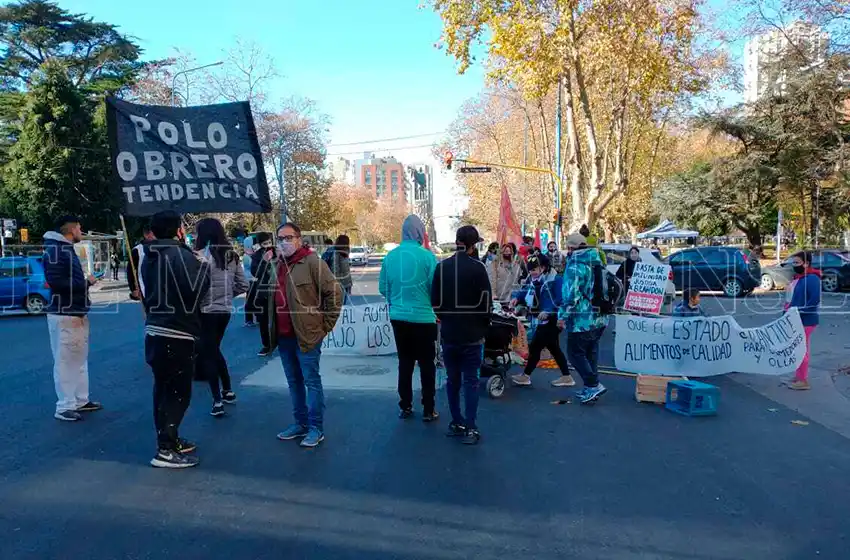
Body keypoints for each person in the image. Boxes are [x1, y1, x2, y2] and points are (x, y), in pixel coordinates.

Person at [141, 210, 210, 468]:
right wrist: (203, 267)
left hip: (156, 330)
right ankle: (166, 449)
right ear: (178, 229)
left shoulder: (149, 255)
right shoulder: (180, 256)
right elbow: (194, 293)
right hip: (177, 332)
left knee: (162, 390)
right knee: (177, 393)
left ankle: (169, 438)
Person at [270, 222, 344, 448]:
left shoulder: (312, 262)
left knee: (311, 381)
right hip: (283, 336)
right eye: (280, 238)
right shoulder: (276, 265)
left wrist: (326, 325)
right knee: (294, 382)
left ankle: (315, 428)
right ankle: (299, 423)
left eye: (288, 237)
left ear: (299, 239)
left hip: (307, 335)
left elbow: (335, 292)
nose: (284, 242)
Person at [431, 225, 492, 445]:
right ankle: (471, 426)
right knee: (471, 382)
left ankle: (456, 421)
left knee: (453, 380)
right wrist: (482, 326)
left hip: (450, 334)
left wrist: (446, 318)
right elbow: (487, 304)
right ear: (473, 245)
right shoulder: (478, 268)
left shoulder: (442, 267)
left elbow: (435, 303)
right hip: (473, 336)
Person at [379, 215, 439, 421]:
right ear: (420, 233)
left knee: (405, 362)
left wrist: (396, 301)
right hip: (423, 318)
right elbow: (436, 290)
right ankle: (429, 408)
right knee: (426, 364)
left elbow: (383, 287)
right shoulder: (428, 257)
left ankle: (405, 405)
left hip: (398, 318)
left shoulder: (390, 257)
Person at [43, 215, 101, 422]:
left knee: (77, 359)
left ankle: (79, 400)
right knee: (66, 361)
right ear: (71, 229)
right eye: (79, 228)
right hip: (65, 314)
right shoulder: (57, 251)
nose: (81, 231)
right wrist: (86, 283)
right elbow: (57, 283)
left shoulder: (63, 249)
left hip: (73, 312)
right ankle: (65, 406)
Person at [194, 218, 249, 417]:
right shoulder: (232, 256)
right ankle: (228, 391)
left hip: (204, 311)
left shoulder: (197, 256)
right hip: (224, 311)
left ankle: (217, 399)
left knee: (209, 353)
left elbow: (194, 286)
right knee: (214, 349)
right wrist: (226, 296)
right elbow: (243, 285)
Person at [559, 233, 610, 404]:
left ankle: (593, 384)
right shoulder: (598, 261)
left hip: (582, 319)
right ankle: (590, 389)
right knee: (591, 353)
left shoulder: (575, 266)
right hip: (600, 318)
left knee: (575, 354)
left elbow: (571, 296)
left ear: (571, 248)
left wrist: (562, 317)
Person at [510, 255, 575, 388]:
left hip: (553, 320)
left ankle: (525, 376)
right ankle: (567, 377)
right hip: (540, 318)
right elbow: (525, 291)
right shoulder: (534, 279)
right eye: (530, 270)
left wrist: (548, 311)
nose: (531, 272)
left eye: (534, 269)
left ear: (543, 268)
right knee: (554, 348)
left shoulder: (556, 280)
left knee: (535, 347)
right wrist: (516, 298)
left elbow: (561, 300)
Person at [785, 251, 821, 391]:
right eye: (793, 262)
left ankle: (803, 380)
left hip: (805, 320)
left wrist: (797, 312)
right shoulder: (800, 277)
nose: (794, 265)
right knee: (798, 348)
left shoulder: (812, 278)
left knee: (801, 349)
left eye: (797, 262)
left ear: (806, 263)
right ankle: (799, 376)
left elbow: (814, 300)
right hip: (796, 318)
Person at [250, 232, 275, 356]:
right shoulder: (257, 256)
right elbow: (255, 273)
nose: (268, 245)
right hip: (264, 292)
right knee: (263, 319)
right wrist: (264, 261)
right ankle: (266, 344)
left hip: (278, 290)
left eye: (269, 242)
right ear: (260, 244)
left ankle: (282, 342)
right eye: (265, 243)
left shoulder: (277, 253)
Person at [128, 224, 155, 306]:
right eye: (153, 233)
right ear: (146, 235)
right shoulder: (137, 250)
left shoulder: (160, 247)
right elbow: (130, 271)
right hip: (144, 287)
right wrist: (133, 289)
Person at [326, 234, 353, 300]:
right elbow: (335, 269)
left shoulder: (345, 252)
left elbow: (346, 269)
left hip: (345, 283)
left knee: (343, 305)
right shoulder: (336, 253)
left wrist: (349, 284)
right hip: (339, 284)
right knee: (339, 306)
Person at [242, 237, 257, 327]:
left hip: (254, 279)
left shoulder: (252, 255)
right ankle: (248, 319)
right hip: (250, 280)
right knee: (250, 300)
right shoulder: (246, 256)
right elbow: (251, 266)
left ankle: (256, 316)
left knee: (255, 299)